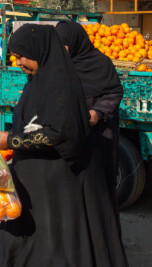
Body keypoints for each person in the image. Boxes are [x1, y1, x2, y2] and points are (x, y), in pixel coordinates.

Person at [0, 24, 128, 266]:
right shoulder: (38, 80)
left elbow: (61, 134)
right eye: (14, 57)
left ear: (40, 52)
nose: (17, 62)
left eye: (21, 56)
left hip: (59, 182)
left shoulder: (63, 85)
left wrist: (13, 140)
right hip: (38, 186)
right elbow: (37, 122)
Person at [55, 20, 123, 202]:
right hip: (70, 137)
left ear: (77, 41)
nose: (64, 50)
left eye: (66, 45)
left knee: (97, 191)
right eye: (60, 46)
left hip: (99, 136)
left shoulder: (101, 63)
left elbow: (113, 91)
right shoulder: (57, 66)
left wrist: (97, 113)